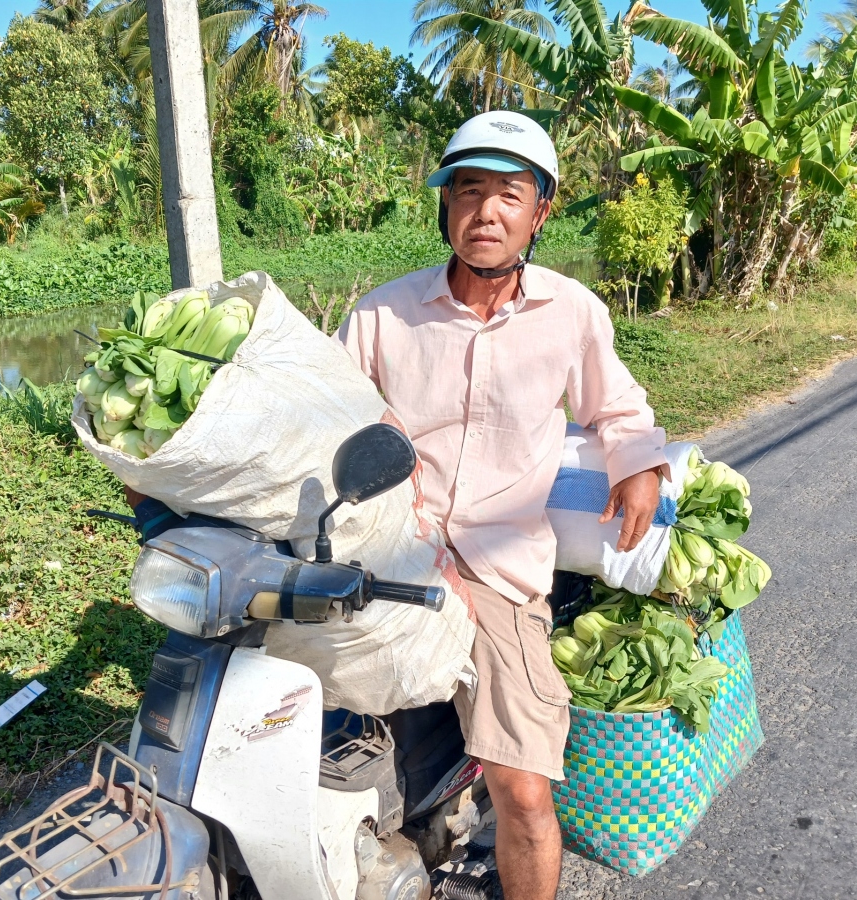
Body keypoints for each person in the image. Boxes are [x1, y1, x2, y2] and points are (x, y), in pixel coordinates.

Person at [335, 111, 670, 900]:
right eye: (469, 190)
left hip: (499, 572)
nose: (486, 212)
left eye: (509, 195)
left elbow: (618, 408)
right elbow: (330, 420)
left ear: (540, 212)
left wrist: (637, 467)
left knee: (524, 795)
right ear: (445, 204)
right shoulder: (381, 315)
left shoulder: (573, 313)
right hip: (387, 552)